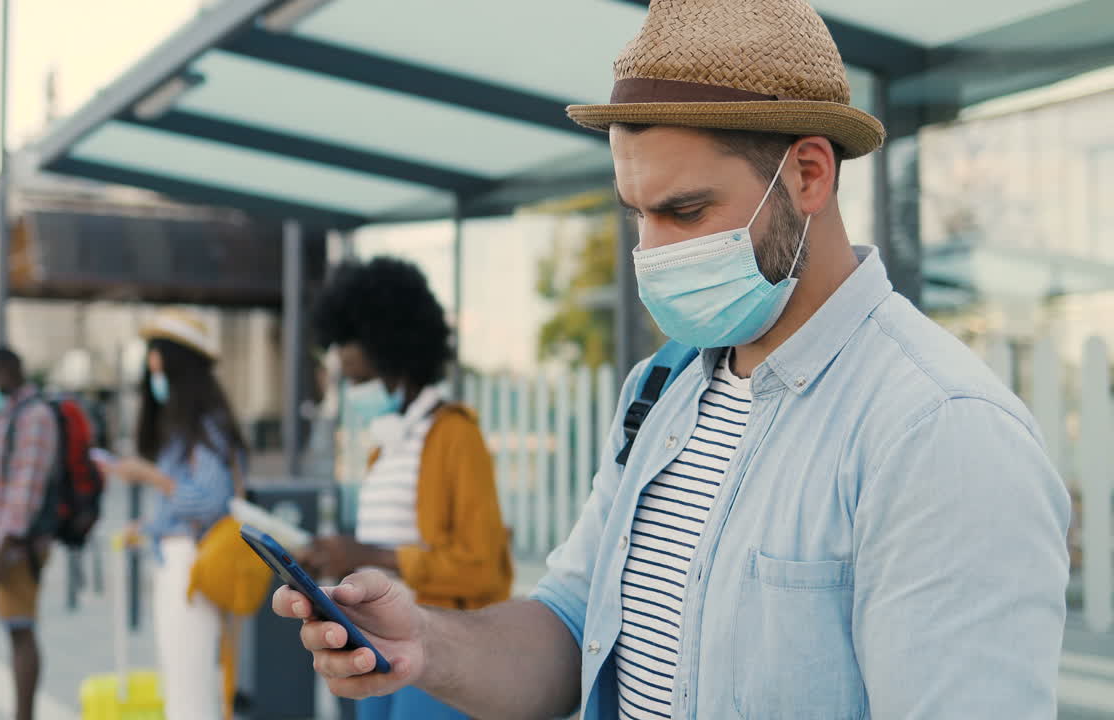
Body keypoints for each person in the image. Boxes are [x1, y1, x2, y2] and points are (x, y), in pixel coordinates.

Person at [273, 1, 1072, 718]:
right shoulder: (662, 389)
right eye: (637, 216)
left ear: (809, 174)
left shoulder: (942, 435)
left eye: (685, 211)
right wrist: (424, 643)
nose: (651, 253)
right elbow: (572, 624)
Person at [303, 257, 512, 720]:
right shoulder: (388, 444)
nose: (351, 383)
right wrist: (335, 557)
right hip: (375, 646)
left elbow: (481, 567)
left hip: (436, 647)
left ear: (391, 346)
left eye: (359, 379)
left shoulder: (455, 434)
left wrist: (367, 554)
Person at [98, 309, 246, 720]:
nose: (151, 369)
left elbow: (209, 503)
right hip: (179, 562)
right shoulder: (188, 428)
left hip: (193, 567)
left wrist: (152, 477)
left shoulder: (207, 427)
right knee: (183, 686)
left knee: (190, 692)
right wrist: (148, 528)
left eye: (157, 358)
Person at [0, 348, 57, 720]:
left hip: (20, 546)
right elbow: (7, 476)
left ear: (7, 371)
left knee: (22, 630)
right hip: (12, 542)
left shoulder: (33, 416)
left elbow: (26, 488)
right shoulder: (12, 414)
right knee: (15, 629)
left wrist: (4, 551)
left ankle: (24, 715)